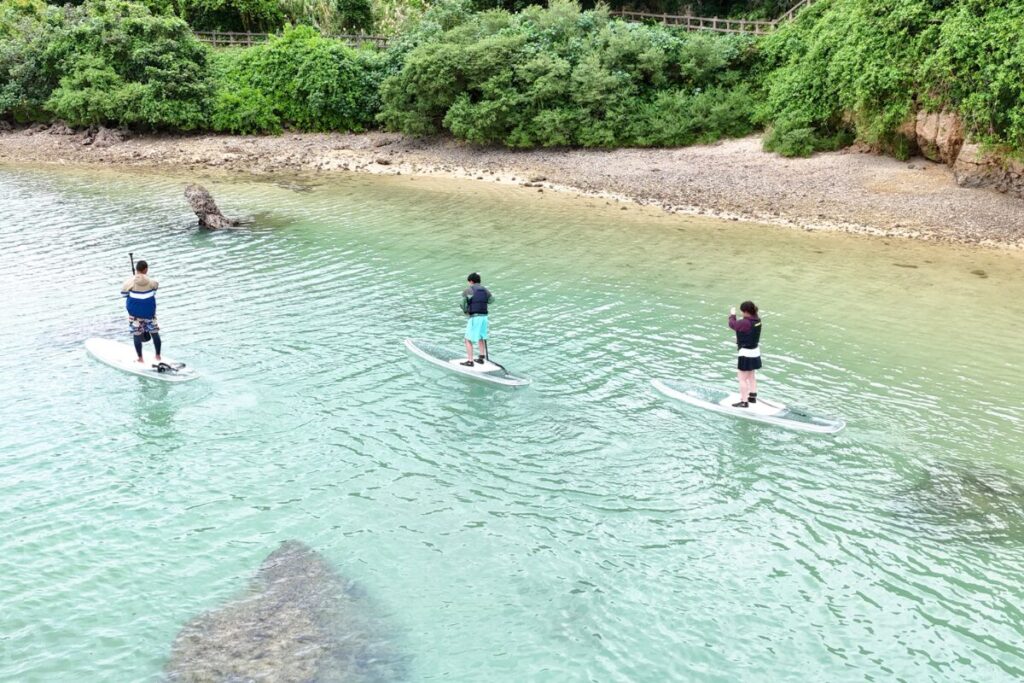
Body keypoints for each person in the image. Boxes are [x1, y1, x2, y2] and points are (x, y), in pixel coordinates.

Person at [121, 260, 162, 364]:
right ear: (146, 270)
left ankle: (140, 358)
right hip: (149, 314)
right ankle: (157, 356)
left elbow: (124, 294)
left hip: (135, 315)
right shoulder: (153, 282)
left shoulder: (128, 282)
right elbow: (154, 291)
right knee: (155, 333)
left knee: (137, 335)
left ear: (136, 270)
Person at [728, 301, 761, 408]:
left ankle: (744, 401)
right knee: (751, 375)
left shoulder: (745, 322)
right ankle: (752, 396)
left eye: (742, 312)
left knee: (742, 378)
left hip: (746, 352)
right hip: (755, 351)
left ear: (746, 311)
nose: (742, 314)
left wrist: (732, 314)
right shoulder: (757, 320)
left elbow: (732, 324)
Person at [460, 272, 493, 367]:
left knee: (467, 339)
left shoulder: (468, 290)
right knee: (481, 336)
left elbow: (463, 304)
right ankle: (481, 358)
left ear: (471, 281)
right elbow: (491, 300)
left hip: (475, 317)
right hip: (484, 317)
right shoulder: (485, 290)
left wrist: (466, 311)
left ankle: (470, 361)